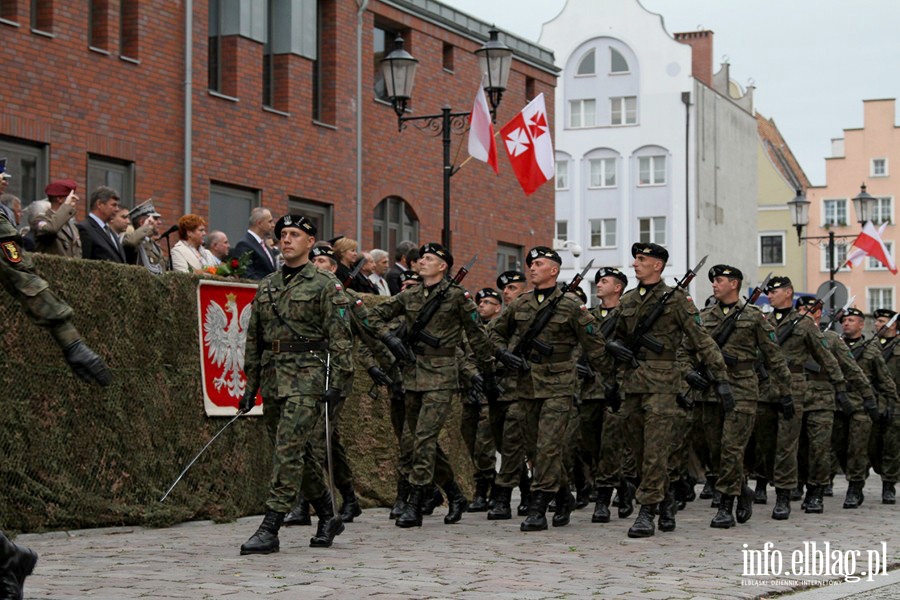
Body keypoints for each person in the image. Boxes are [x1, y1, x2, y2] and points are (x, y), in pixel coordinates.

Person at [238, 214, 353, 555]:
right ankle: (329, 514)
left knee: (287, 449)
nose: (286, 239)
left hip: (309, 377)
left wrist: (339, 382)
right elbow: (254, 339)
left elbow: (341, 339)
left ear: (309, 241)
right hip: (275, 378)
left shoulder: (325, 284)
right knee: (297, 452)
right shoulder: (268, 285)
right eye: (282, 234)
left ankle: (270, 526)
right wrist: (250, 385)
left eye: (294, 234)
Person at [369, 243, 499, 528]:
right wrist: (388, 339)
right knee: (415, 440)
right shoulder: (411, 294)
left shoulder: (457, 297)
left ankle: (415, 502)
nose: (422, 262)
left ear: (443, 266)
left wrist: (488, 373)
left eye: (429, 259)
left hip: (441, 375)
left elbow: (477, 336)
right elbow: (372, 317)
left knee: (425, 438)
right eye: (421, 258)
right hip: (413, 373)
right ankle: (454, 493)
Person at [607, 243, 733, 538]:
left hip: (664, 384)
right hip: (633, 383)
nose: (635, 264)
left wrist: (721, 380)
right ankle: (664, 500)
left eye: (642, 259)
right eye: (635, 259)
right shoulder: (627, 301)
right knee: (637, 453)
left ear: (658, 265)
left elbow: (701, 340)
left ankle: (646, 511)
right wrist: (612, 377)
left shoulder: (676, 300)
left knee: (655, 451)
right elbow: (616, 340)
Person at [490, 246, 608, 532]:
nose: (532, 267)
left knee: (548, 446)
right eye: (530, 264)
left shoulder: (570, 305)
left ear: (554, 270)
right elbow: (493, 333)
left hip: (559, 384)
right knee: (534, 448)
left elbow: (596, 346)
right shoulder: (520, 304)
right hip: (526, 384)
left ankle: (538, 506)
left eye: (539, 263)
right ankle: (564, 495)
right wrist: (504, 354)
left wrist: (610, 383)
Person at [690, 265, 792, 529]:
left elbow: (774, 357)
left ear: (734, 284)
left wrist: (786, 393)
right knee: (714, 451)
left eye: (720, 280)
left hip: (743, 390)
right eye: (713, 280)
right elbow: (686, 350)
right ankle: (742, 489)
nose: (714, 284)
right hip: (711, 391)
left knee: (731, 449)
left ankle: (726, 505)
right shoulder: (703, 316)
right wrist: (689, 374)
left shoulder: (754, 317)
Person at [757, 276, 848, 520]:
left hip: (794, 388)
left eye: (774, 291)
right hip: (765, 388)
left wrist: (840, 387)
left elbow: (825, 358)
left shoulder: (803, 324)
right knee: (766, 445)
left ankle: (788, 495)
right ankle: (772, 484)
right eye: (769, 291)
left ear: (788, 292)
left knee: (788, 445)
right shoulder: (763, 321)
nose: (770, 295)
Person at [579, 266, 635, 524]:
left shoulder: (628, 315)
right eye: (598, 281)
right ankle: (622, 485)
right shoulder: (587, 316)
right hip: (589, 388)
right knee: (589, 445)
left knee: (611, 445)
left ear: (618, 287)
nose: (598, 284)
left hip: (617, 387)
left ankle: (602, 500)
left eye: (604, 281)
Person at [837, 307, 897, 508]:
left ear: (862, 324)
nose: (846, 323)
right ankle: (852, 477)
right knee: (839, 446)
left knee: (860, 447)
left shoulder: (871, 349)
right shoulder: (835, 346)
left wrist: (891, 401)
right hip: (838, 404)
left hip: (863, 404)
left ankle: (856, 486)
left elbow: (884, 379)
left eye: (851, 320)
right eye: (844, 320)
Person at [874, 308, 900, 504]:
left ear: (893, 324)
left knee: (892, 444)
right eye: (876, 321)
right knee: (871, 445)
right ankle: (880, 470)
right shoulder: (870, 345)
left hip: (895, 400)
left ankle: (888, 483)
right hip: (873, 400)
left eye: (881, 321)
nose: (877, 324)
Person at [31, 180, 82, 258]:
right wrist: (66, 206)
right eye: (71, 199)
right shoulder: (40, 219)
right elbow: (51, 229)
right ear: (60, 199)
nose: (74, 202)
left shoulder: (72, 227)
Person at [78, 186, 126, 263]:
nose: (117, 209)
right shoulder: (85, 229)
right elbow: (84, 264)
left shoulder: (109, 231)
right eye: (113, 205)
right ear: (99, 204)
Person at [123, 200, 167, 275]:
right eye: (155, 219)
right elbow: (130, 242)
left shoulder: (152, 244)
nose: (160, 222)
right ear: (142, 222)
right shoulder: (133, 240)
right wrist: (145, 227)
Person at [234, 207, 277, 280]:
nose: (273, 225)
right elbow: (246, 275)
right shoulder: (244, 245)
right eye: (270, 222)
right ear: (259, 223)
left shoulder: (264, 245)